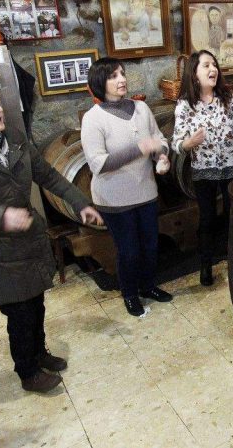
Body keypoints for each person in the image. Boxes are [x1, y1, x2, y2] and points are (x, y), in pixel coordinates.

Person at [0, 82, 103, 393]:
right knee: (19, 315)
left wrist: (81, 203)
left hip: (29, 241)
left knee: (36, 304)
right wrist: (0, 217)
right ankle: (27, 372)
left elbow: (48, 176)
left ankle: (39, 353)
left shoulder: (16, 141)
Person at [81, 57, 173, 317]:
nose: (121, 80)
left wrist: (161, 156)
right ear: (100, 83)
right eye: (113, 76)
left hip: (146, 192)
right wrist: (140, 149)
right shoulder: (93, 118)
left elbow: (158, 139)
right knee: (129, 250)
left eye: (122, 74)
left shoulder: (141, 108)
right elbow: (98, 164)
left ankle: (148, 286)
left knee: (151, 246)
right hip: (114, 200)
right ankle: (130, 294)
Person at [171, 50, 233, 286]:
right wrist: (188, 143)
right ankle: (206, 266)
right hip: (203, 170)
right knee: (207, 220)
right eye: (206, 66)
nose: (212, 69)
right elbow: (175, 142)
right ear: (194, 74)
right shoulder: (185, 105)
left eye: (214, 65)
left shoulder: (226, 97)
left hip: (232, 166)